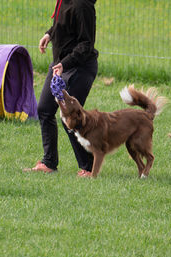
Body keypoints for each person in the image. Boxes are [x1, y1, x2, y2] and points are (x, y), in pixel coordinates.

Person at [24, 0, 98, 177]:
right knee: (45, 109)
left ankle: (89, 167)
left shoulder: (82, 5)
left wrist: (65, 64)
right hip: (60, 65)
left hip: (79, 66)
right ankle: (49, 163)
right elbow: (64, 24)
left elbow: (86, 44)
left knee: (71, 117)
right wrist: (50, 34)